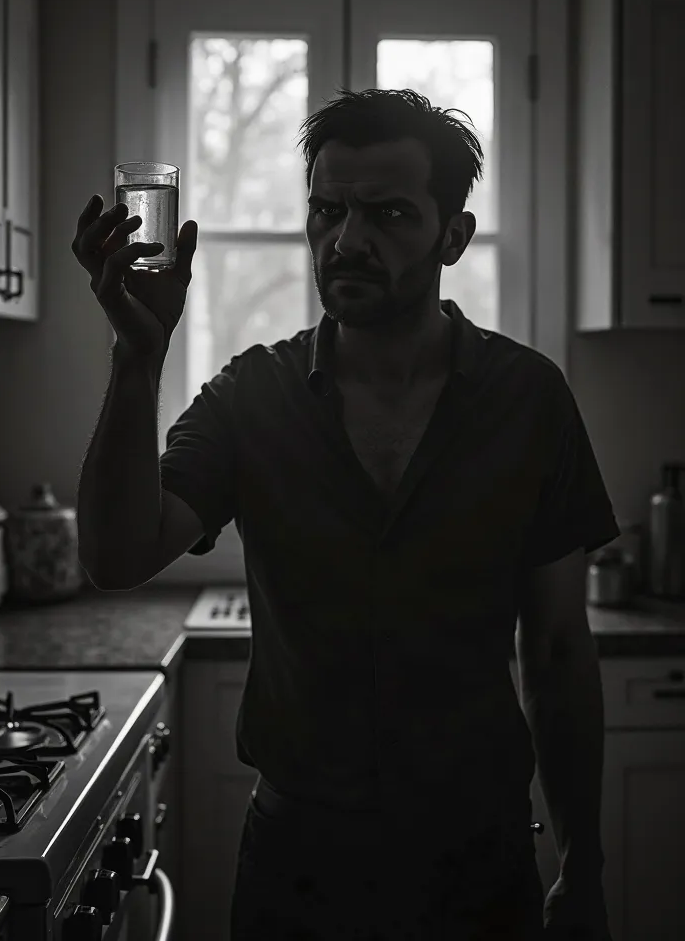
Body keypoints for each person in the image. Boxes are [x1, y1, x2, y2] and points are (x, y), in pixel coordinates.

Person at [74, 89, 617, 940]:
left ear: (454, 236)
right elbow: (116, 556)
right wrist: (137, 356)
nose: (348, 241)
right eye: (327, 210)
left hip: (481, 860)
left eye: (389, 213)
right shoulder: (252, 397)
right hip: (299, 867)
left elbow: (555, 648)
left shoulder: (529, 399)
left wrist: (584, 866)